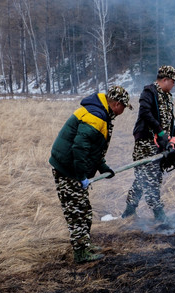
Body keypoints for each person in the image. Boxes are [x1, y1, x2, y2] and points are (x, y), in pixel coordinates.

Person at [49, 85, 133, 264]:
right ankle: (81, 253)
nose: (123, 111)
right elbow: (80, 148)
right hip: (68, 170)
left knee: (85, 210)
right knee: (77, 211)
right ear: (117, 104)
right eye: (124, 107)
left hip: (72, 168)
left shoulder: (101, 112)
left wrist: (103, 167)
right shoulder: (96, 116)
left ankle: (85, 245)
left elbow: (93, 149)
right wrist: (81, 177)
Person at [121, 65, 175, 221]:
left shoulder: (168, 97)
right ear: (165, 79)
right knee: (151, 179)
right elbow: (145, 113)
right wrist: (160, 132)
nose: (174, 84)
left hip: (161, 144)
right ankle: (160, 216)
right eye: (173, 81)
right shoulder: (149, 92)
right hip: (146, 144)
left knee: (143, 178)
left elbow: (167, 120)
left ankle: (128, 211)